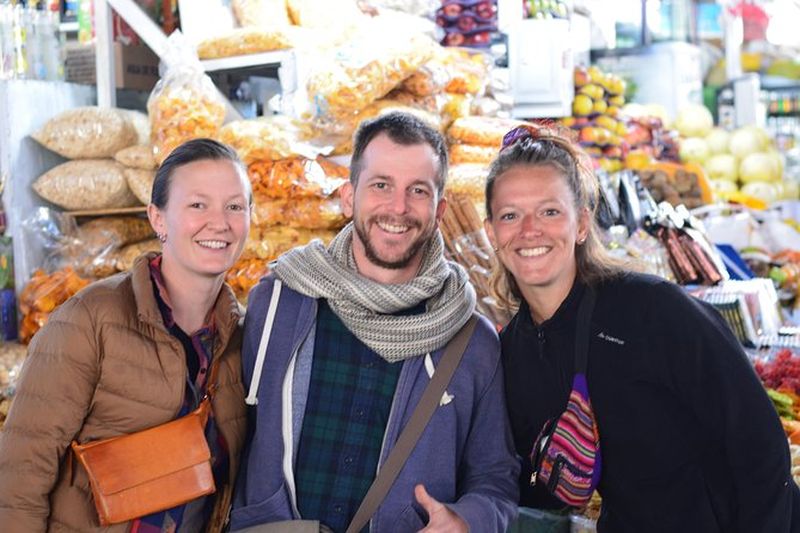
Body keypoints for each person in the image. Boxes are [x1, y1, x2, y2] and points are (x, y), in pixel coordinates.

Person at [484, 123, 800, 532]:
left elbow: (758, 442)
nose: (530, 230)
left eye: (549, 211)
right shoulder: (513, 353)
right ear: (492, 232)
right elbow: (531, 485)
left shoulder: (652, 310)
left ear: (581, 224)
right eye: (511, 215)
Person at [231, 112, 519, 533]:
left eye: (417, 190)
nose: (398, 208)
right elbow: (229, 437)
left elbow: (496, 478)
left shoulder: (472, 341)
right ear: (349, 197)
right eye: (381, 185)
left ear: (439, 210)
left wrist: (467, 520)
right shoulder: (279, 302)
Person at [0, 138, 252, 532]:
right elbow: (20, 472)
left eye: (235, 206)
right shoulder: (89, 320)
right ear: (158, 218)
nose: (219, 222)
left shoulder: (242, 337)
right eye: (198, 205)